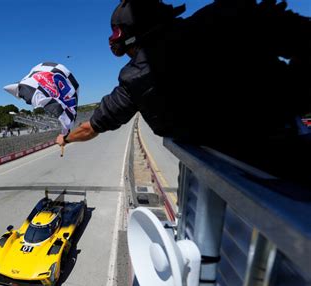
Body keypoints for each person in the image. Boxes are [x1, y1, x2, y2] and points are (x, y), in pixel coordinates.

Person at [57, 0, 310, 186]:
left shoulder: (135, 77)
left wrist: (65, 139)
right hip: (290, 150)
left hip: (221, 180)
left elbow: (92, 126)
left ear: (132, 41)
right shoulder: (223, 14)